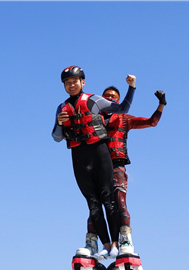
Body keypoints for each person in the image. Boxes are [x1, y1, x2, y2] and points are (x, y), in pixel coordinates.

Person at [52, 66, 136, 258]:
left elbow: (122, 108)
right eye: (67, 82)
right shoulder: (61, 108)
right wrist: (59, 122)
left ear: (83, 81)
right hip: (79, 155)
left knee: (108, 198)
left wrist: (132, 87)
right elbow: (56, 137)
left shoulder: (94, 100)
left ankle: (117, 244)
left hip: (99, 152)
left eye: (75, 81)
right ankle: (105, 246)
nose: (71, 85)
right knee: (92, 203)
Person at [85, 88, 166, 255]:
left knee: (120, 202)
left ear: (118, 101)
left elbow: (152, 122)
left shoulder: (124, 119)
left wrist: (161, 104)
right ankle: (91, 242)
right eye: (107, 96)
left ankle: (126, 240)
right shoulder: (92, 119)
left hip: (116, 166)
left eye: (114, 96)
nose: (110, 98)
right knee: (95, 206)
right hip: (97, 167)